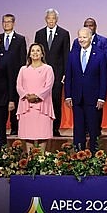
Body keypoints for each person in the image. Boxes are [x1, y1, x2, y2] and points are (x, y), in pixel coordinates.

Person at [65, 28, 107, 153]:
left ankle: (94, 157)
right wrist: (68, 96)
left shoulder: (100, 54)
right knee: (78, 130)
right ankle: (79, 155)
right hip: (77, 98)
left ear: (91, 38)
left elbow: (103, 78)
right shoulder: (72, 54)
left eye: (84, 37)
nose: (81, 40)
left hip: (94, 98)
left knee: (93, 129)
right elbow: (69, 76)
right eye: (79, 37)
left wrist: (102, 97)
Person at [71, 17, 107, 136]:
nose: (89, 27)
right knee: (79, 125)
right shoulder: (76, 42)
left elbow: (106, 57)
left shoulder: (103, 41)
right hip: (79, 88)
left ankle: (95, 132)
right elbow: (73, 61)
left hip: (95, 80)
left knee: (95, 116)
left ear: (95, 27)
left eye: (91, 25)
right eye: (86, 25)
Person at [34, 8, 70, 137]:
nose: (51, 20)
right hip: (40, 74)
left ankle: (55, 128)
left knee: (55, 101)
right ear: (45, 19)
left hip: (57, 74)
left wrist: (65, 73)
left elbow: (66, 54)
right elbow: (36, 53)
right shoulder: (39, 33)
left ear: (57, 19)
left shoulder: (64, 33)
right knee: (41, 100)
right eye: (49, 18)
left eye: (53, 18)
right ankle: (41, 127)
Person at [16, 43, 55, 150]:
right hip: (26, 105)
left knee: (42, 134)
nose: (35, 53)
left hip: (42, 105)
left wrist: (37, 96)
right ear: (29, 54)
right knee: (28, 135)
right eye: (33, 50)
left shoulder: (48, 69)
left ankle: (41, 160)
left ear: (42, 54)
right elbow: (19, 86)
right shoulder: (23, 69)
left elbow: (48, 86)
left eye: (38, 50)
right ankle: (30, 159)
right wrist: (26, 96)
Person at [0, 13, 27, 136]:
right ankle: (1, 126)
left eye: (9, 21)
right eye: (4, 22)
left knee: (14, 102)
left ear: (14, 23)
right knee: (0, 101)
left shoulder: (20, 39)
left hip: (15, 76)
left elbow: (22, 59)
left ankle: (14, 127)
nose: (6, 24)